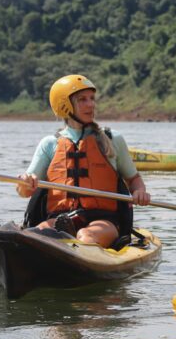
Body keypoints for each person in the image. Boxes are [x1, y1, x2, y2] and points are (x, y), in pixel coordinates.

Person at [16, 74, 151, 248]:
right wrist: (25, 182)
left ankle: (70, 241)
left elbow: (134, 179)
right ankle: (62, 235)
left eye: (92, 99)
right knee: (38, 233)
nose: (91, 104)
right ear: (64, 105)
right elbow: (24, 191)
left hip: (103, 221)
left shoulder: (112, 139)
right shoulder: (49, 144)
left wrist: (139, 191)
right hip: (58, 219)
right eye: (82, 100)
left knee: (85, 236)